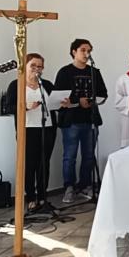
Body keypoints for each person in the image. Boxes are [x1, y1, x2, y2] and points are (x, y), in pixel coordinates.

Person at [54, 38, 108, 204]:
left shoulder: (94, 72)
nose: (87, 54)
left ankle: (85, 185)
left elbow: (103, 94)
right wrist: (78, 101)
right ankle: (69, 187)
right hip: (71, 121)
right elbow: (58, 97)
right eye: (83, 50)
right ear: (74, 52)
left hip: (90, 119)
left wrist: (91, 101)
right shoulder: (64, 72)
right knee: (69, 156)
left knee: (89, 156)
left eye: (89, 51)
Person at [5, 53, 56, 212]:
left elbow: (53, 103)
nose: (36, 69)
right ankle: (31, 198)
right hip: (27, 129)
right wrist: (26, 106)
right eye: (33, 65)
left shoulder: (46, 84)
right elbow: (8, 107)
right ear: (25, 66)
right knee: (29, 165)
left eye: (40, 66)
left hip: (47, 128)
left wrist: (63, 103)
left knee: (44, 164)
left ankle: (43, 197)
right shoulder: (16, 84)